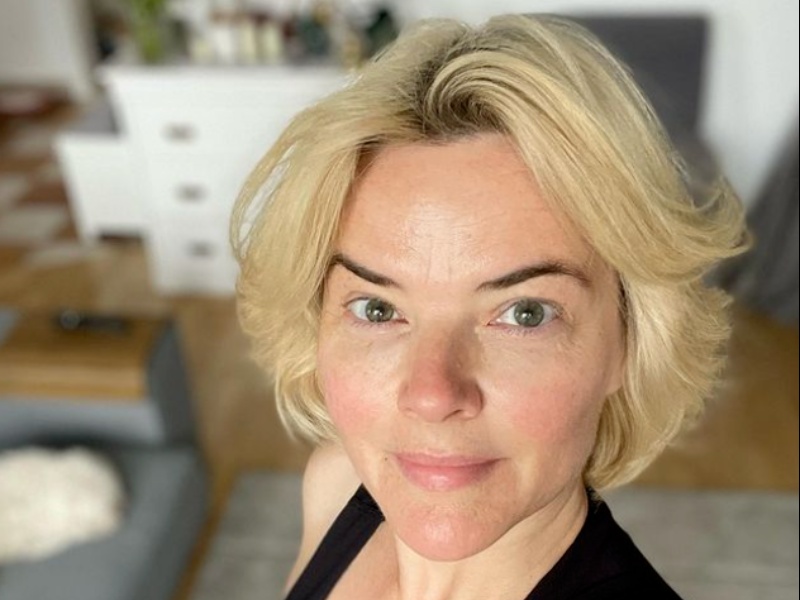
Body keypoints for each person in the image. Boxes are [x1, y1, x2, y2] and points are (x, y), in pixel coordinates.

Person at [231, 14, 748, 600]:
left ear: (629, 343)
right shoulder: (338, 485)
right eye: (376, 309)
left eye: (525, 313)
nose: (432, 394)